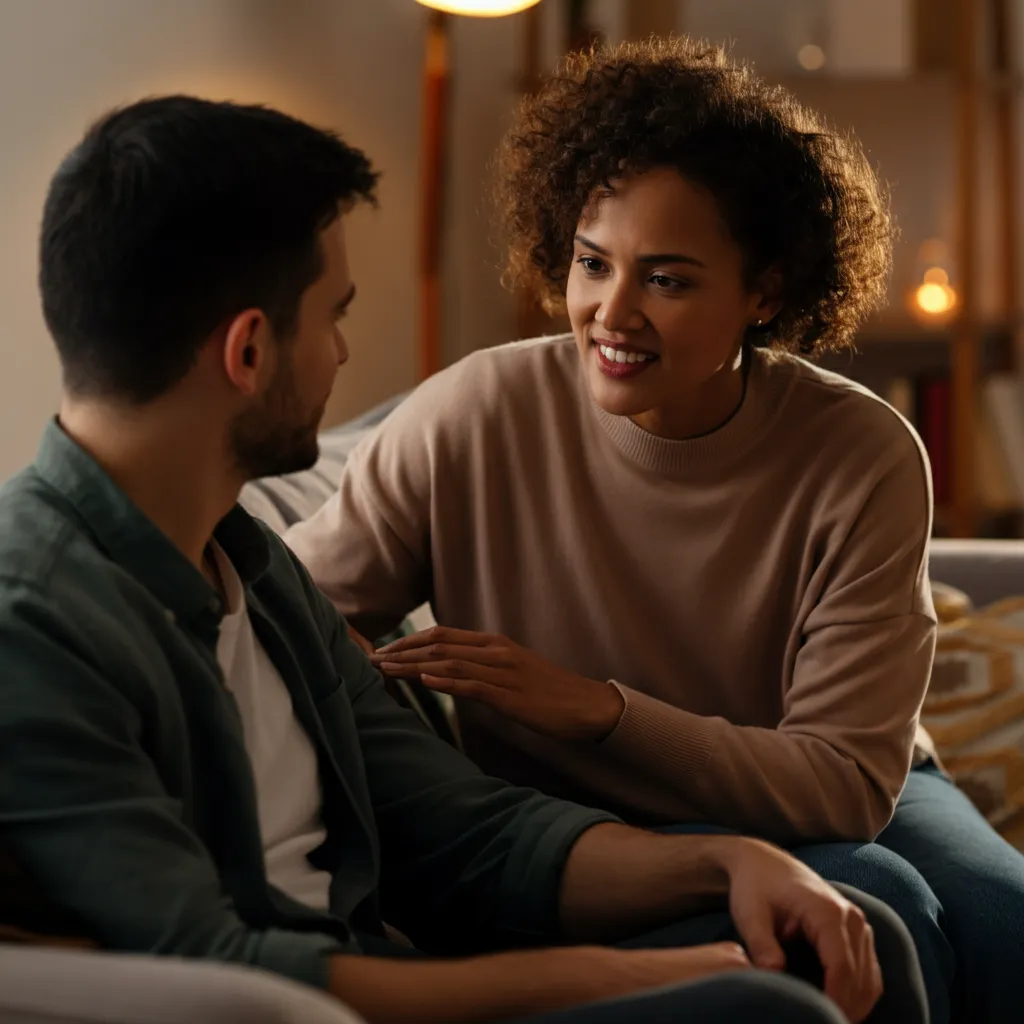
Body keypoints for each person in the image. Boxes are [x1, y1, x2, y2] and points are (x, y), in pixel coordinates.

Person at [0, 95, 928, 1024]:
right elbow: (211, 966)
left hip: (392, 946)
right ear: (248, 350)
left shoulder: (256, 569)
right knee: (771, 1007)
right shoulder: (36, 618)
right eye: (335, 317)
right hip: (322, 997)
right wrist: (616, 978)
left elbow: (464, 828)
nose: (344, 354)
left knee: (856, 931)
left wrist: (728, 859)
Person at [286, 37, 1024, 1024]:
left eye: (668, 279)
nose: (611, 313)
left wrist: (599, 709)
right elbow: (279, 611)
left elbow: (844, 783)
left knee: (1004, 920)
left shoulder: (861, 451)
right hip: (582, 826)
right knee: (872, 910)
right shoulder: (473, 415)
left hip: (831, 787)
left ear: (764, 293)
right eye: (593, 263)